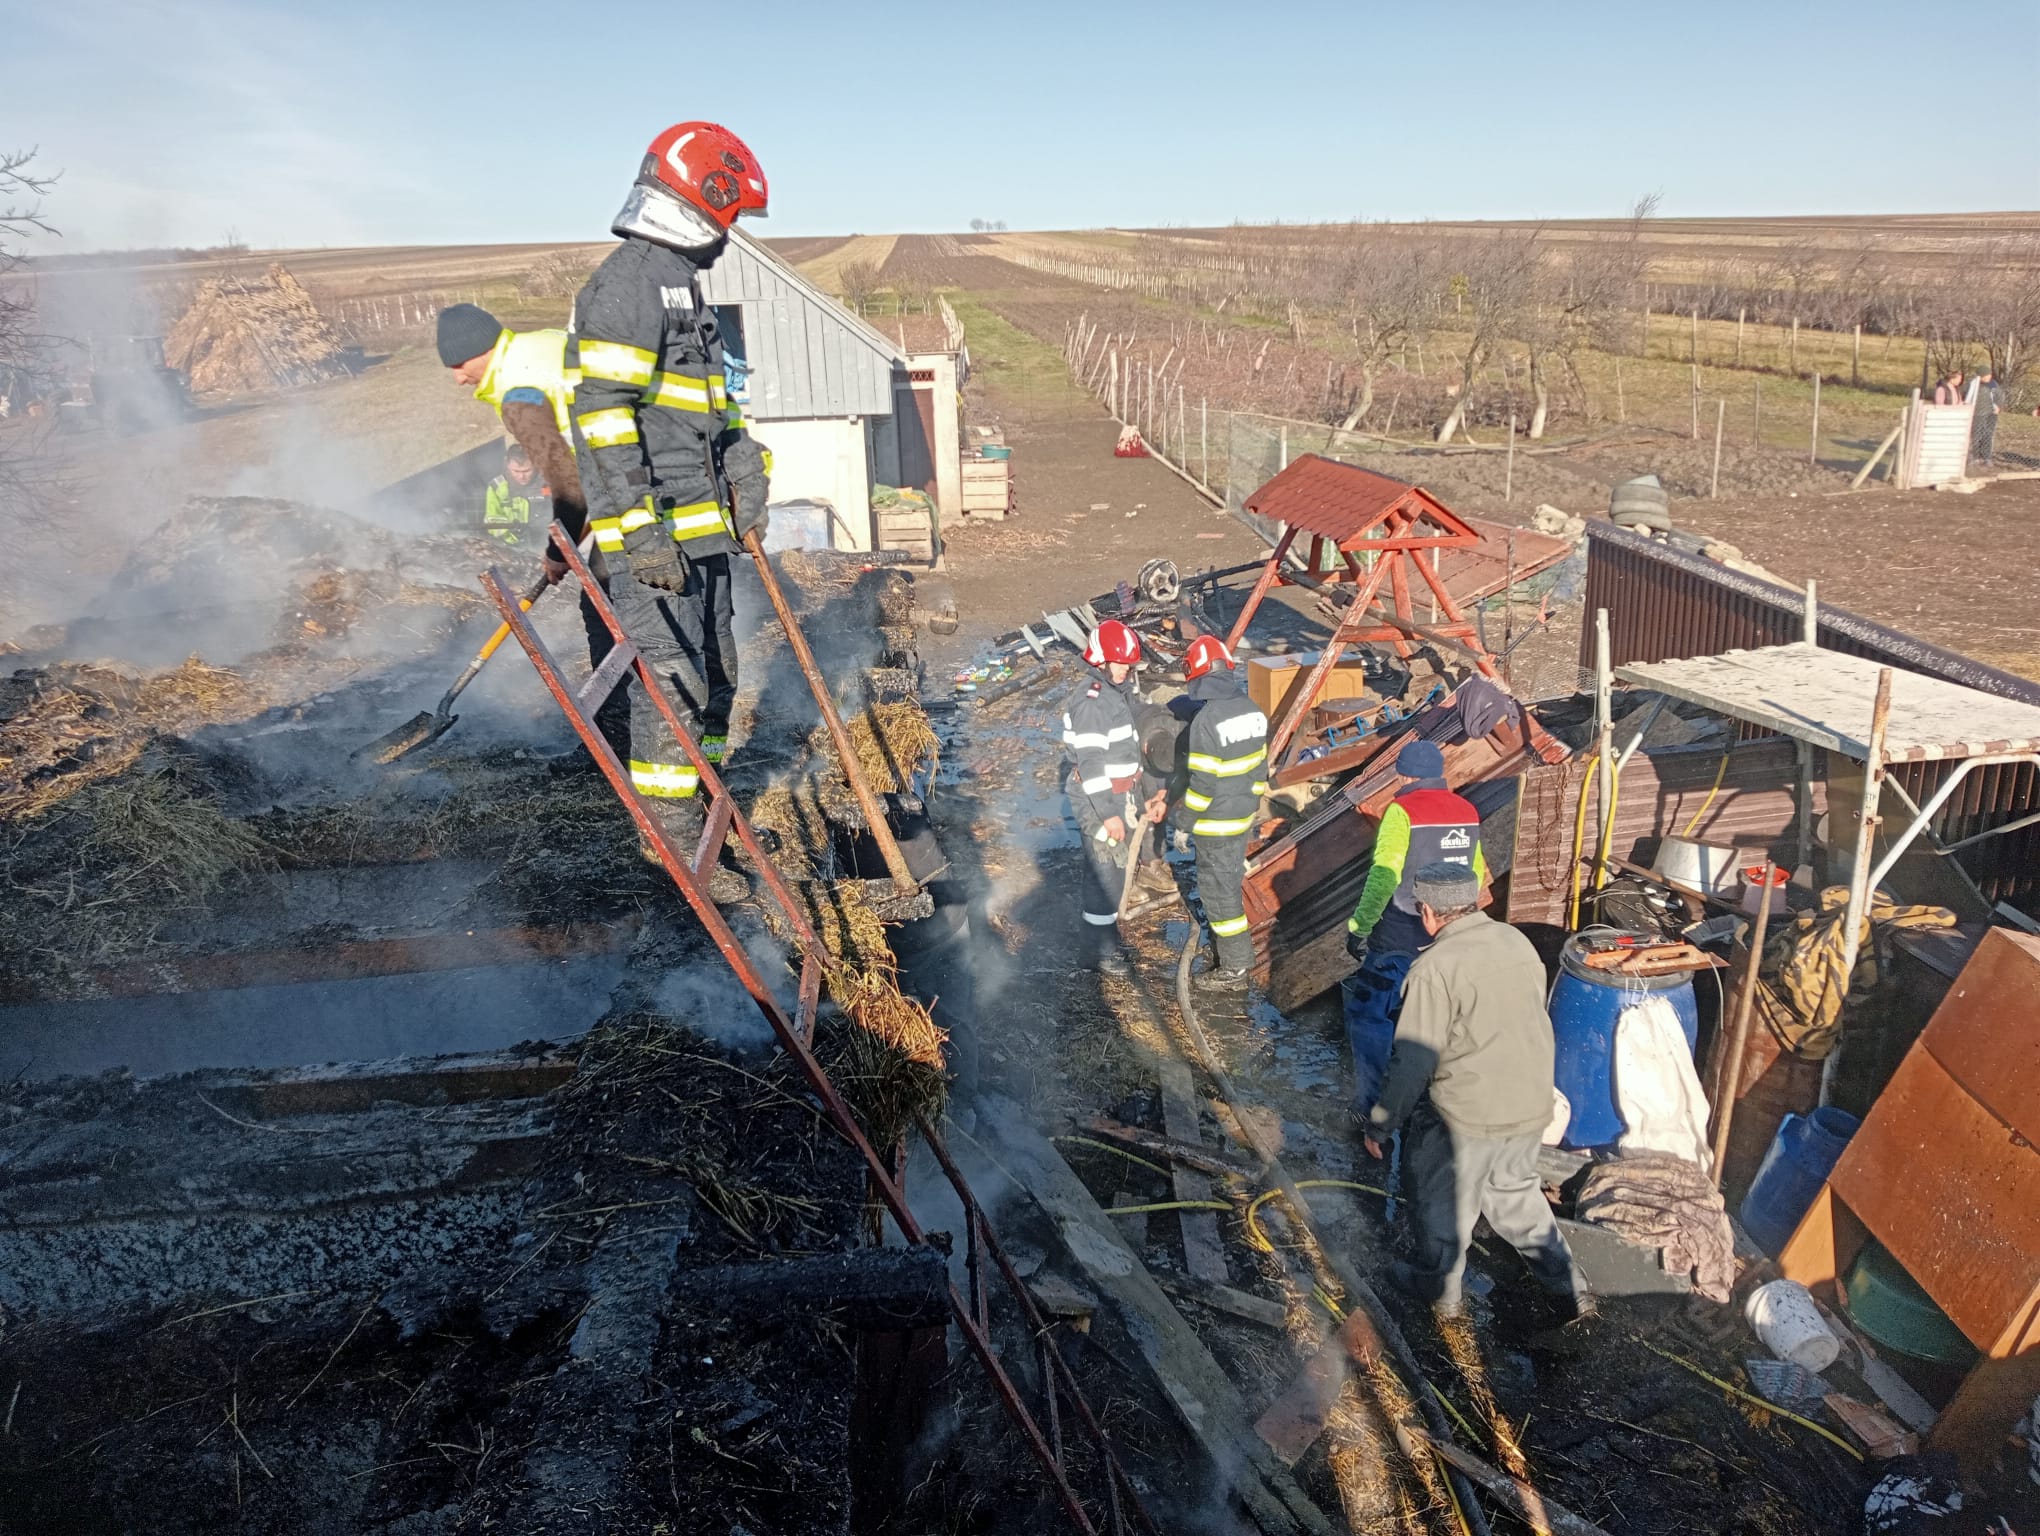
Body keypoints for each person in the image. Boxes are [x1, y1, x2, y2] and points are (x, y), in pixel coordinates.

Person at [568, 121, 772, 879]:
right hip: (656, 546)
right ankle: (676, 845)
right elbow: (601, 415)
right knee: (674, 688)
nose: (731, 233)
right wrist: (640, 533)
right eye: (731, 215)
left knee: (718, 675)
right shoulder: (629, 284)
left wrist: (744, 467)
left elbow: (714, 411)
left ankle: (707, 791)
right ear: (702, 200)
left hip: (702, 537)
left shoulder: (682, 287)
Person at [1363, 862, 1592, 1322]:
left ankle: (1441, 1291)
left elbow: (1413, 1060)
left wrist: (1381, 1124)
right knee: (1515, 1196)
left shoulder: (1434, 968)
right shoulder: (1516, 942)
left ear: (1428, 912)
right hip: (1531, 1103)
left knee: (1443, 1204)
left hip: (1469, 1117)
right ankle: (1570, 1285)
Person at [437, 303, 629, 776]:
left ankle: (616, 745)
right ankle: (630, 736)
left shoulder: (519, 389)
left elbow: (567, 481)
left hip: (630, 497)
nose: (458, 380)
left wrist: (557, 551)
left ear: (481, 351)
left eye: (458, 365)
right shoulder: (542, 344)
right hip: (640, 477)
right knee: (627, 615)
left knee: (606, 615)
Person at [1344, 739, 1487, 1116]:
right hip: (1448, 936)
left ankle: (1372, 1106)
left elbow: (1384, 876)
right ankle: (1425, 1104)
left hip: (1400, 933)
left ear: (1404, 775)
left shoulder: (1401, 811)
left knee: (1371, 1017)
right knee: (1431, 1022)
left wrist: (1360, 926)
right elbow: (1476, 873)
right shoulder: (1467, 810)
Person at [1062, 619, 1165, 975]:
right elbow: (1091, 764)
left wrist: (1140, 794)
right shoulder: (1093, 702)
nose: (1126, 670)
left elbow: (1124, 754)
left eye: (1129, 665)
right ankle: (1100, 952)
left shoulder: (1114, 694)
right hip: (1099, 800)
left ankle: (1100, 945)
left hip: (1120, 794)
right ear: (1101, 660)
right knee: (1105, 874)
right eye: (1120, 664)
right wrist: (1108, 814)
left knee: (1112, 872)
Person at [1172, 634, 1268, 991]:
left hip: (1216, 824)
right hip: (1243, 815)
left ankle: (1235, 969)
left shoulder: (1206, 721)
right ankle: (1227, 952)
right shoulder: (1252, 709)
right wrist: (1250, 805)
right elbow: (1260, 768)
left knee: (1218, 893)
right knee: (1228, 880)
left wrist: (1183, 824)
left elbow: (1202, 785)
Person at [483, 443, 548, 544]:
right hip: (511, 545)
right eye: (516, 471)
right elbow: (492, 519)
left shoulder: (547, 484)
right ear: (508, 465)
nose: (522, 476)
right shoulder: (496, 487)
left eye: (527, 471)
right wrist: (510, 533)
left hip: (544, 542)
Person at [1971, 366, 2003, 467]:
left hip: (1991, 414)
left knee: (1988, 435)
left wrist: (1999, 407)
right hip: (1978, 414)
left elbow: (1999, 396)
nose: (1989, 377)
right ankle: (1975, 456)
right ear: (1980, 376)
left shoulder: (1993, 384)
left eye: (1989, 375)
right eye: (1986, 375)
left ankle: (1986, 457)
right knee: (1976, 436)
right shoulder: (1974, 384)